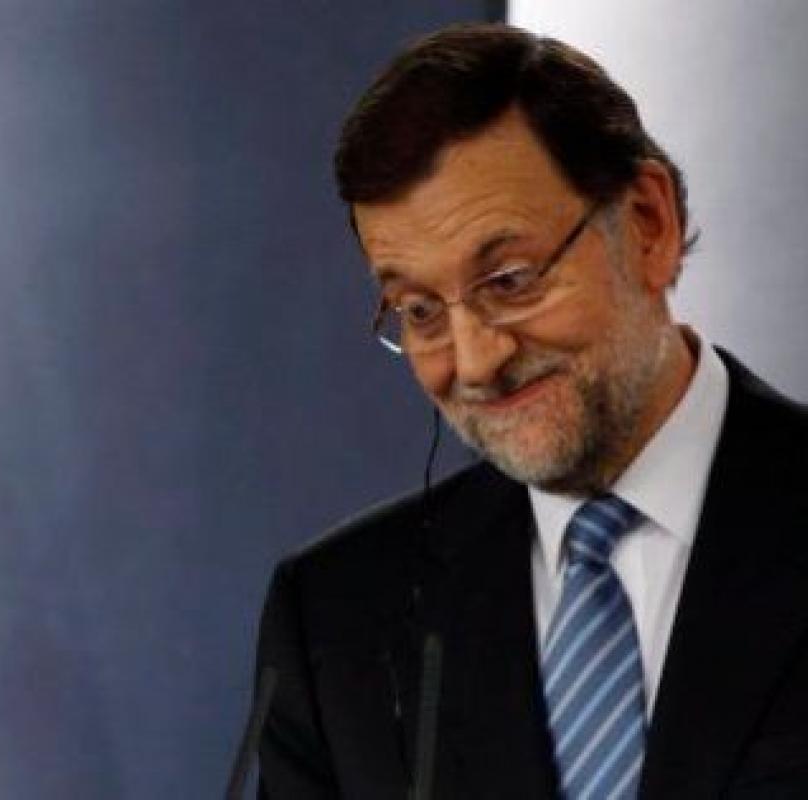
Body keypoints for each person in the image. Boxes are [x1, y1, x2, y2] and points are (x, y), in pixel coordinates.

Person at [252, 22, 808, 799]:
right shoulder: (335, 621)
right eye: (420, 311)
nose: (477, 360)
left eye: (510, 279)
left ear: (648, 224)